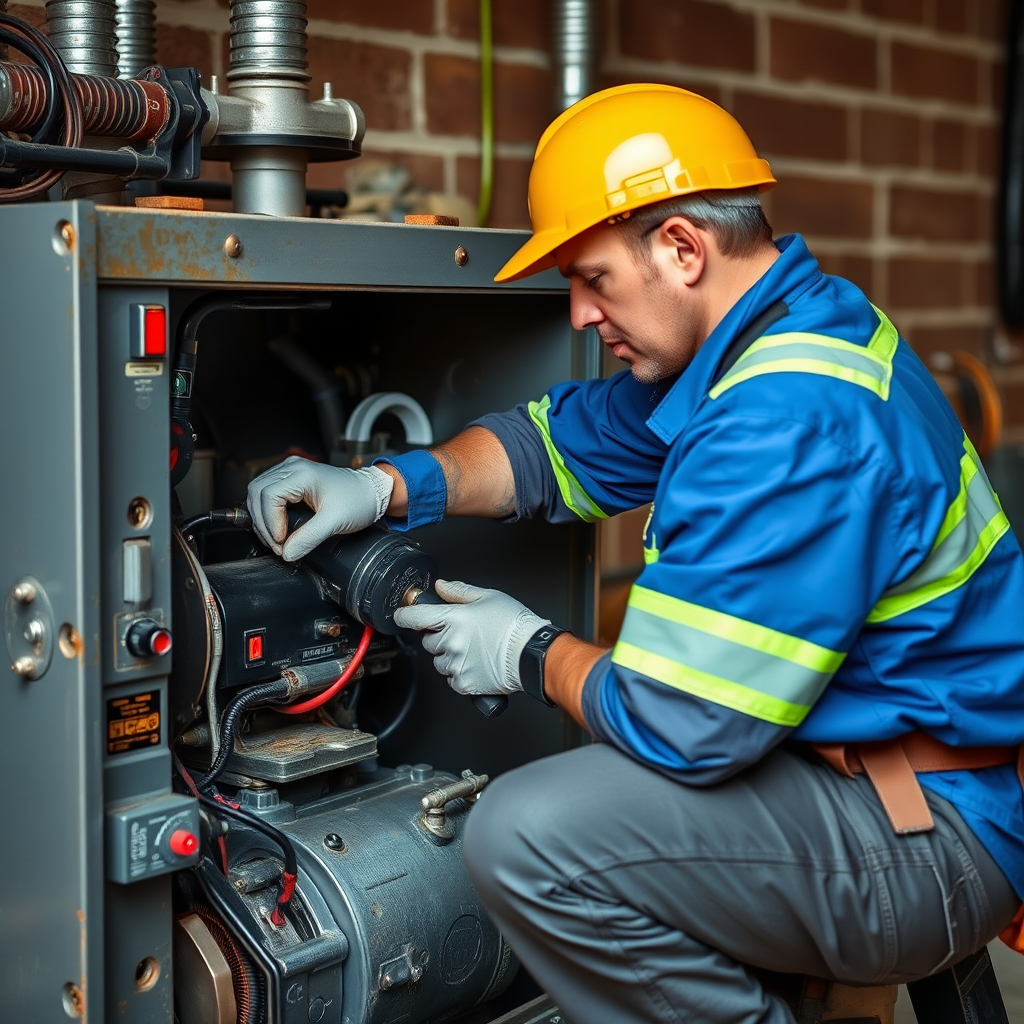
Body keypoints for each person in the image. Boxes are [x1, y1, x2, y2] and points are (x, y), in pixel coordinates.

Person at [247, 85, 1024, 1023]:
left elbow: (680, 724)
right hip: (879, 779)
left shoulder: (789, 421)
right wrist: (385, 486)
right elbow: (556, 446)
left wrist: (529, 653)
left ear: (683, 249)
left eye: (593, 278)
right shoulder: (777, 334)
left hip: (929, 837)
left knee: (528, 838)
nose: (578, 314)